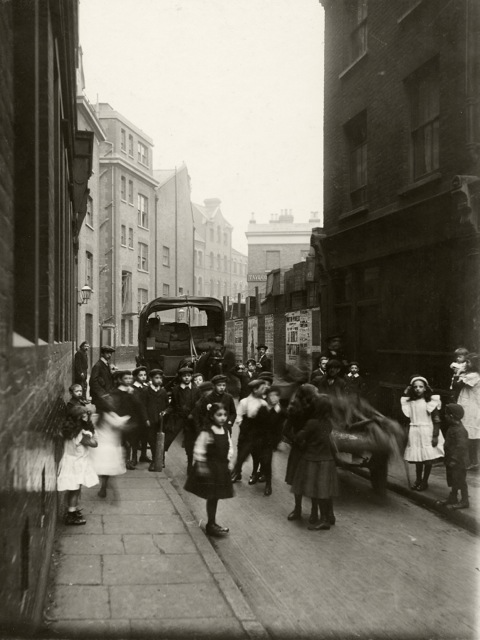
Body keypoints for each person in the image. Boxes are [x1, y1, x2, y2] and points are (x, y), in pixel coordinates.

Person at [184, 403, 234, 537]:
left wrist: (228, 461)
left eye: (225, 415)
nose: (223, 418)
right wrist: (201, 466)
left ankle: (212, 522)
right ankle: (211, 524)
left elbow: (229, 446)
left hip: (221, 467)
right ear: (212, 416)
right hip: (211, 468)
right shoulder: (207, 431)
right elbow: (199, 449)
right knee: (212, 496)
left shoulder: (226, 430)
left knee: (215, 497)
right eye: (219, 415)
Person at [291, 394, 338, 530]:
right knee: (324, 490)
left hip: (313, 459)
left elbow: (300, 437)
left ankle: (323, 520)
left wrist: (298, 438)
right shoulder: (328, 423)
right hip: (327, 459)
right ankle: (329, 516)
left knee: (316, 490)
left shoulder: (312, 423)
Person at [90, 370, 136, 496]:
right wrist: (131, 422)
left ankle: (103, 487)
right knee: (109, 470)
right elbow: (122, 425)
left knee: (103, 470)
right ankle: (108, 489)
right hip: (110, 448)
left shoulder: (98, 417)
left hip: (100, 449)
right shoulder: (110, 416)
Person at [401, 375, 444, 491]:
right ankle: (418, 479)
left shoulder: (430, 402)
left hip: (427, 431)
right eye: (415, 387)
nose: (418, 389)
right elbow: (406, 417)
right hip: (415, 431)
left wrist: (435, 435)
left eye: (421, 387)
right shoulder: (409, 402)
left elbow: (436, 420)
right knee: (418, 458)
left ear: (425, 388)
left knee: (427, 459)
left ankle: (425, 481)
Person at [57, 405, 98, 525]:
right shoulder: (80, 434)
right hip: (77, 463)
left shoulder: (69, 430)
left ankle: (72, 510)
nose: (87, 417)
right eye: (85, 415)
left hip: (71, 460)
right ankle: (71, 516)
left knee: (74, 488)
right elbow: (95, 443)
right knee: (75, 490)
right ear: (79, 418)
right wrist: (91, 433)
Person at [283, 384, 319, 521]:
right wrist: (297, 441)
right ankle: (297, 509)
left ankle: (314, 511)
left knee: (313, 481)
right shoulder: (295, 409)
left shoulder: (316, 408)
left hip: (312, 448)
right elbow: (285, 430)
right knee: (297, 482)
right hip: (300, 449)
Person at [231, 379, 268, 484]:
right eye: (262, 389)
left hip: (257, 433)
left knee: (256, 454)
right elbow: (238, 416)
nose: (264, 391)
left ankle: (254, 473)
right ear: (255, 390)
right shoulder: (244, 402)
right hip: (245, 432)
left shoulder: (263, 403)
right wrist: (242, 425)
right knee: (241, 452)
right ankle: (237, 473)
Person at [165, 367, 200, 468]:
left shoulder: (196, 389)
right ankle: (160, 459)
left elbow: (198, 405)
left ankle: (190, 463)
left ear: (191, 377)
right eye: (184, 376)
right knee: (169, 437)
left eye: (188, 376)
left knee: (190, 441)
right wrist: (166, 411)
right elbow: (173, 405)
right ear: (180, 377)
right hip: (179, 417)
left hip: (191, 419)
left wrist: (193, 414)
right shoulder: (176, 389)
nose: (186, 378)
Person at [255, 385, 286, 496]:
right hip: (260, 439)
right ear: (267, 397)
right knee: (261, 459)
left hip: (271, 440)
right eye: (271, 395)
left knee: (267, 461)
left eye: (275, 396)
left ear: (279, 397)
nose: (273, 398)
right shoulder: (263, 409)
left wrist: (277, 442)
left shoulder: (281, 411)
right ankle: (259, 473)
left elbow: (282, 428)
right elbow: (257, 424)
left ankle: (268, 484)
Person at [439, 403, 469, 509]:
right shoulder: (452, 427)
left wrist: (454, 459)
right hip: (451, 460)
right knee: (453, 480)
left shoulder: (460, 431)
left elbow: (461, 447)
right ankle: (453, 497)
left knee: (460, 480)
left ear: (452, 416)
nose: (445, 416)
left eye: (446, 414)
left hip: (458, 462)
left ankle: (465, 501)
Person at [456, 353, 480, 470]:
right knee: (470, 434)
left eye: (468, 362)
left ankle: (473, 461)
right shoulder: (470, 374)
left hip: (471, 406)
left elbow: (457, 384)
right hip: (469, 404)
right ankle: (472, 461)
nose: (466, 364)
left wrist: (458, 373)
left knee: (470, 434)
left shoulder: (474, 376)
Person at [142, 369, 169, 471]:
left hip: (161, 421)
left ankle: (161, 460)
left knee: (161, 441)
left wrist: (165, 411)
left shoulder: (163, 392)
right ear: (151, 379)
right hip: (150, 421)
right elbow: (143, 406)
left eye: (160, 378)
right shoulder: (146, 391)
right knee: (152, 441)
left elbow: (168, 406)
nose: (159, 380)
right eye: (156, 378)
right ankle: (154, 460)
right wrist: (146, 419)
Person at [132, 366, 150, 463]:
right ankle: (134, 457)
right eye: (140, 375)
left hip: (145, 416)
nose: (143, 377)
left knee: (145, 436)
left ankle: (143, 455)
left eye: (144, 375)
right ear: (135, 376)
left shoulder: (146, 387)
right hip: (136, 416)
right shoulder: (133, 388)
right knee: (135, 437)